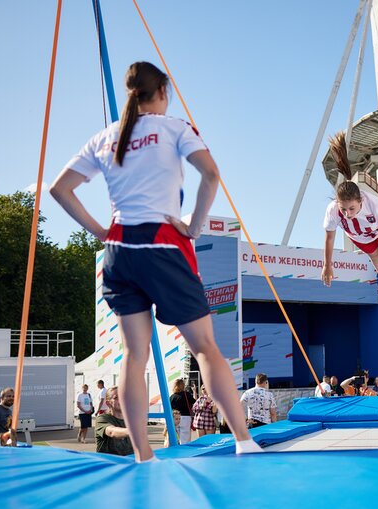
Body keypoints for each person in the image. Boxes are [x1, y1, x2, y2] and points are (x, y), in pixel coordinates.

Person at [50, 61, 259, 460]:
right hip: (162, 245)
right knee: (205, 348)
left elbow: (61, 190)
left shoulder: (104, 138)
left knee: (134, 354)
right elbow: (211, 175)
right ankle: (244, 441)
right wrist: (194, 227)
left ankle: (144, 455)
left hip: (119, 252)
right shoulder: (174, 127)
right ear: (161, 91)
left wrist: (100, 231)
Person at [321, 132, 378, 299]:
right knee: (375, 255)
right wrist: (327, 265)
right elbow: (329, 239)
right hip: (360, 236)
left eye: (352, 209)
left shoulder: (373, 204)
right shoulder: (332, 210)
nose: (347, 214)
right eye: (343, 209)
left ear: (360, 201)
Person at [94, 386, 134, 457]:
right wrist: (132, 431)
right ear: (108, 403)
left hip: (128, 464)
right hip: (109, 465)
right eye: (116, 398)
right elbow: (112, 432)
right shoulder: (102, 419)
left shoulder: (131, 420)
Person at [170, 379, 197, 444]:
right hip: (185, 417)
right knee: (185, 439)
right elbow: (195, 402)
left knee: (176, 437)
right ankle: (185, 452)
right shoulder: (186, 394)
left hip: (174, 417)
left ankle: (177, 451)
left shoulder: (172, 397)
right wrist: (194, 391)